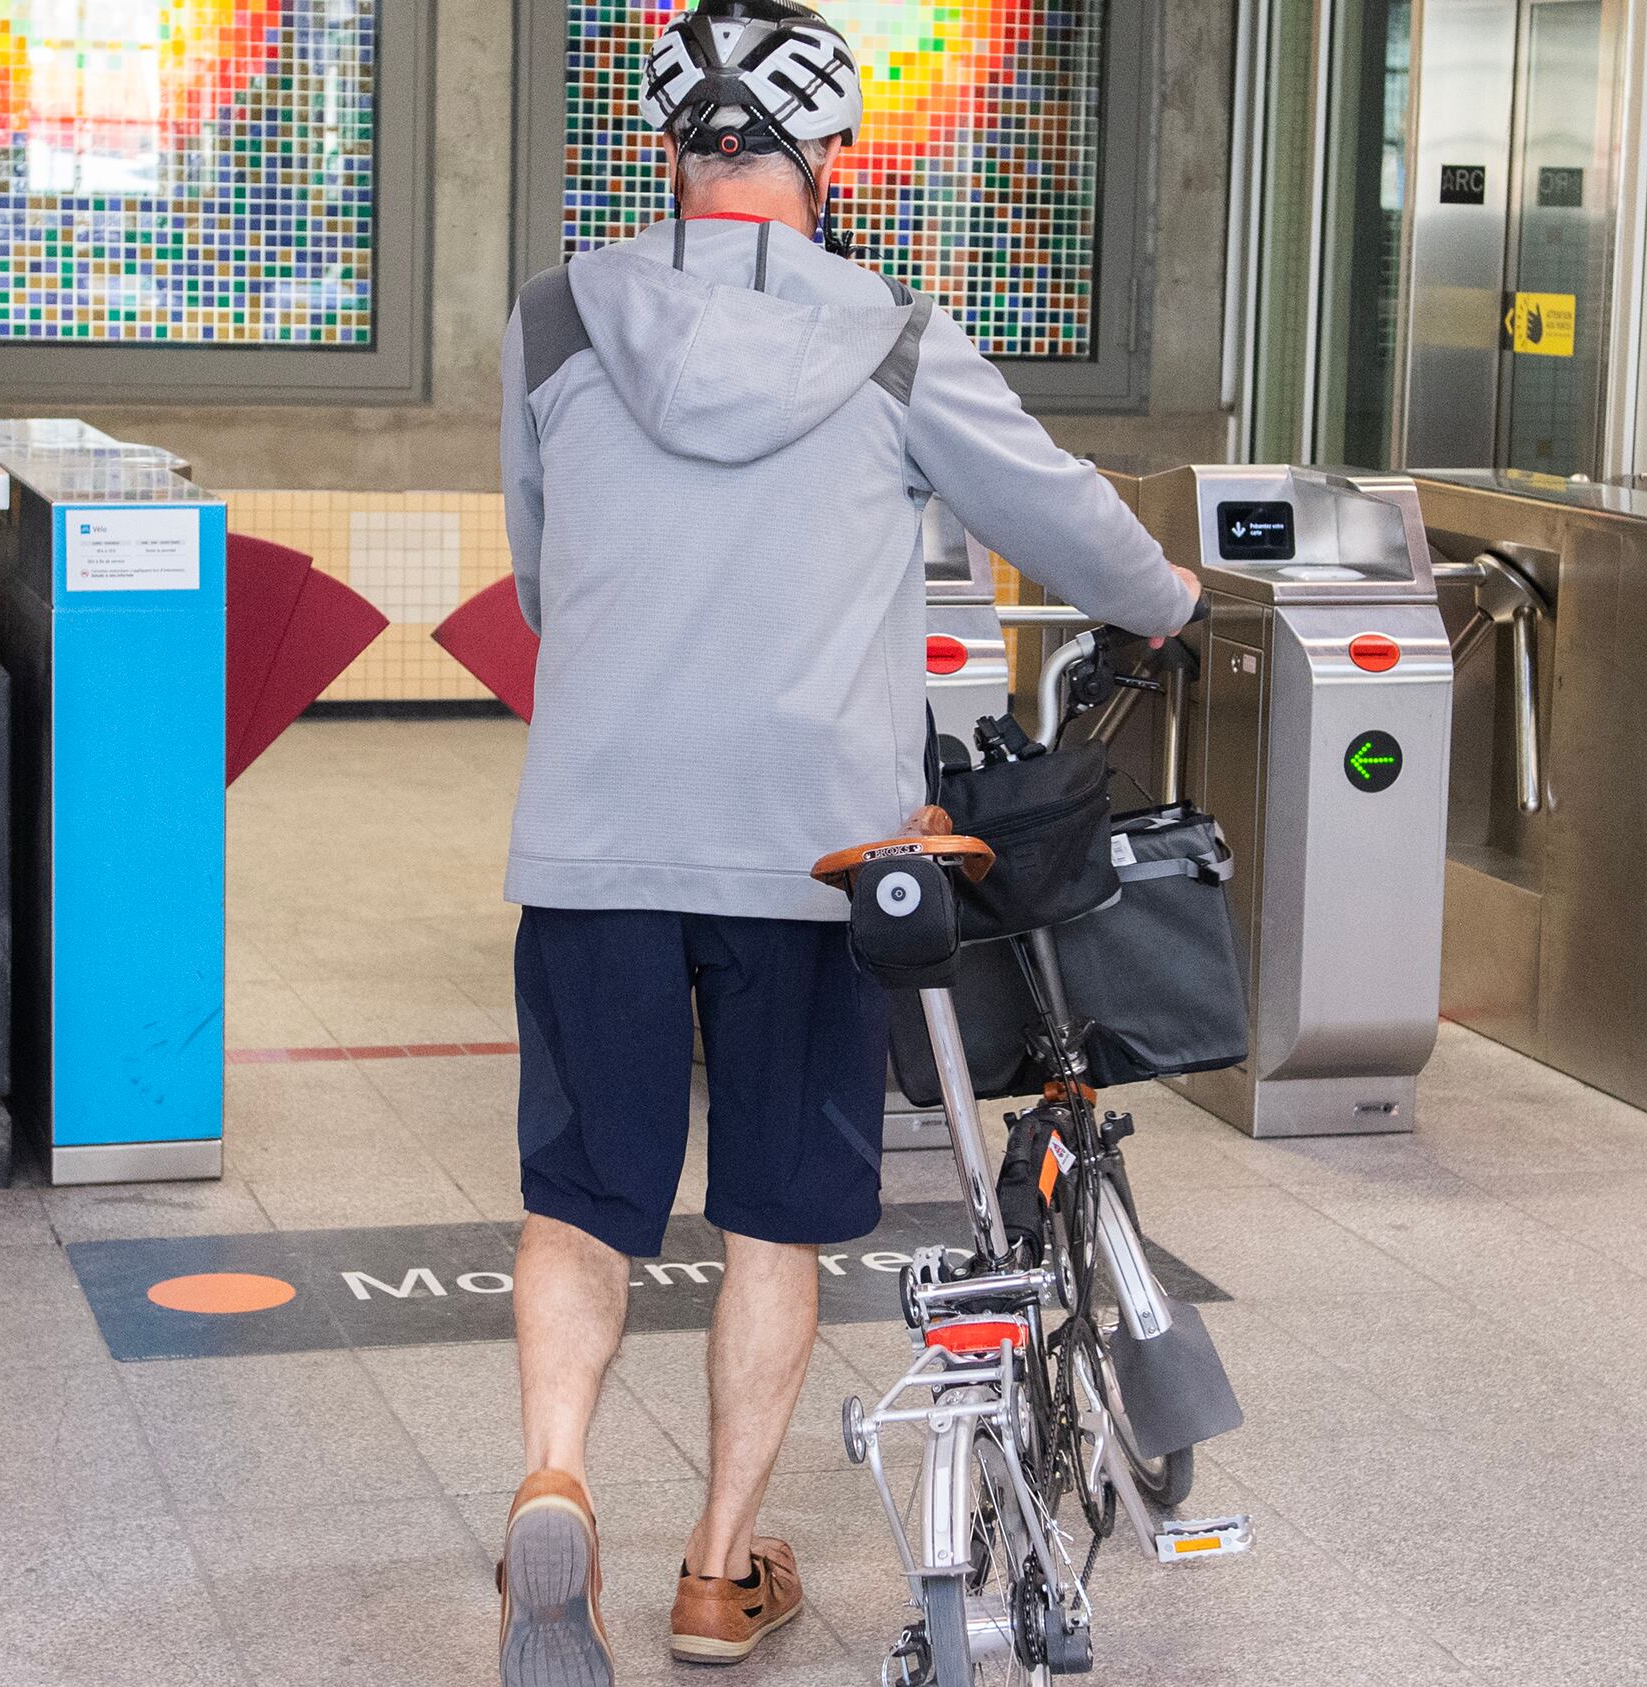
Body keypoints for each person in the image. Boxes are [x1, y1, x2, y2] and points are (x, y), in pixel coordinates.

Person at [491, 4, 1201, 1681]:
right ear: (829, 155)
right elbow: (1061, 515)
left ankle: (556, 1476)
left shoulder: (552, 320)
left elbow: (538, 574)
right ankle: (715, 1572)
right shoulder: (894, 339)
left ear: (666, 146)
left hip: (595, 833)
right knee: (774, 1219)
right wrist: (1166, 598)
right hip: (815, 858)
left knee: (581, 1202)